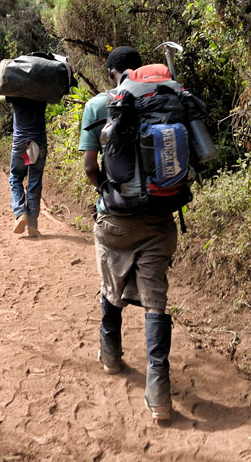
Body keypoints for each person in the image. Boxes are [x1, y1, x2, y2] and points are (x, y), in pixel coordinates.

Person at [79, 46, 178, 421]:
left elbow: (91, 165)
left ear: (112, 73)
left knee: (110, 285)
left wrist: (105, 191)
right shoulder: (165, 97)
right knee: (156, 302)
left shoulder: (99, 104)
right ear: (140, 70)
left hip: (116, 221)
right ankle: (160, 395)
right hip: (158, 220)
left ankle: (111, 355)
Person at [7, 96, 48, 237]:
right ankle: (32, 224)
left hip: (21, 142)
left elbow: (1, 94)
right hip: (39, 143)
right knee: (34, 182)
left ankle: (20, 213)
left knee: (16, 178)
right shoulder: (42, 91)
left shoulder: (15, 91)